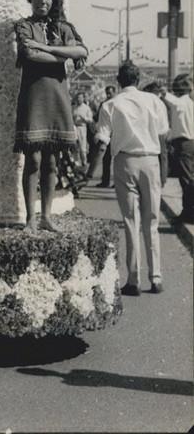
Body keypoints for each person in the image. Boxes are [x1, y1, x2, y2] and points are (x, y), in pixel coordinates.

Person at [86, 61, 169, 296]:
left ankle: (133, 279)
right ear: (138, 79)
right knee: (151, 221)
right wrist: (163, 168)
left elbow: (102, 141)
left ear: (118, 81)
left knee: (131, 221)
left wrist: (89, 172)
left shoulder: (110, 104)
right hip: (151, 160)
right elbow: (163, 136)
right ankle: (156, 277)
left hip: (125, 161)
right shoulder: (154, 101)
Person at [13, 0, 88, 231]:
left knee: (52, 161)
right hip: (34, 98)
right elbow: (30, 54)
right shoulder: (24, 26)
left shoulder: (63, 27)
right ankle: (30, 218)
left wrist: (47, 47)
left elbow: (81, 50)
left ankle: (46, 216)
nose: (43, 1)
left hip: (57, 98)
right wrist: (63, 55)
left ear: (53, 1)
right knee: (33, 159)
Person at [162, 74, 194, 226]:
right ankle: (188, 211)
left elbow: (172, 101)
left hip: (184, 143)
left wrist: (163, 93)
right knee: (189, 178)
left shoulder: (180, 103)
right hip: (191, 142)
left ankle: (188, 213)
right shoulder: (190, 102)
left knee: (186, 180)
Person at [71, 91, 93, 168]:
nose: (79, 99)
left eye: (80, 98)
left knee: (82, 147)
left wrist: (84, 118)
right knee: (74, 146)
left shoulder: (86, 108)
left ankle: (84, 163)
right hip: (74, 128)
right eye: (77, 98)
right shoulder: (74, 108)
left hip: (82, 128)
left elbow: (90, 120)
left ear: (83, 98)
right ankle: (76, 163)